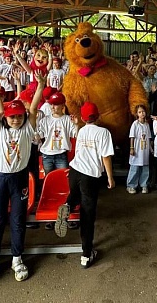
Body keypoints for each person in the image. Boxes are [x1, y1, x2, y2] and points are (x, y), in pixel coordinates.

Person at [0, 70, 45, 286]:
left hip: (20, 179)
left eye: (19, 116)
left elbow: (33, 108)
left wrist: (40, 86)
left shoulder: (27, 129)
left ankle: (17, 259)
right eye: (12, 116)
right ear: (5, 117)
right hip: (0, 179)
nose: (16, 119)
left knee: (18, 221)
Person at [53, 101, 115, 268]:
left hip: (75, 170)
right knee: (87, 215)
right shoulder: (104, 133)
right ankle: (86, 255)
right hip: (90, 175)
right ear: (98, 115)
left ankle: (67, 204)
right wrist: (110, 177)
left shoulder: (81, 131)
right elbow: (106, 157)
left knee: (74, 195)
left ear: (83, 117)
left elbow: (79, 151)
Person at [37, 91, 77, 175]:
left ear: (62, 105)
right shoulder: (45, 120)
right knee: (48, 179)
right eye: (51, 104)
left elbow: (75, 134)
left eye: (55, 104)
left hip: (61, 154)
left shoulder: (68, 119)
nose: (52, 107)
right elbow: (39, 136)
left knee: (63, 177)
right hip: (47, 154)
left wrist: (76, 125)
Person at [127, 104, 152, 194]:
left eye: (143, 112)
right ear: (137, 114)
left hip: (144, 151)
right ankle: (131, 185)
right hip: (137, 149)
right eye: (140, 112)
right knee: (135, 168)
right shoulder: (135, 124)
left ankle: (144, 185)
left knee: (145, 168)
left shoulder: (146, 124)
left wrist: (151, 149)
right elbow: (132, 137)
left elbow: (148, 138)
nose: (142, 114)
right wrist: (132, 148)